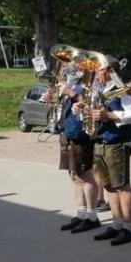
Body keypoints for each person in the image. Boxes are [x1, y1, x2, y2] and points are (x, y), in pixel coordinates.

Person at [84, 56, 131, 247]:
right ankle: (117, 224)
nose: (96, 73)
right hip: (101, 141)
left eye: (99, 70)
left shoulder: (121, 90)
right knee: (109, 187)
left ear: (110, 71)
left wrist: (108, 115)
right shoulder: (99, 90)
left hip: (117, 142)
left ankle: (130, 228)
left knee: (122, 186)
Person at [54, 79, 101, 234]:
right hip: (68, 133)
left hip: (82, 136)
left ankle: (92, 217)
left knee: (85, 176)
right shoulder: (74, 81)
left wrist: (72, 93)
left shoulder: (92, 83)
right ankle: (81, 214)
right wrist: (53, 99)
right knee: (74, 176)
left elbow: (93, 105)